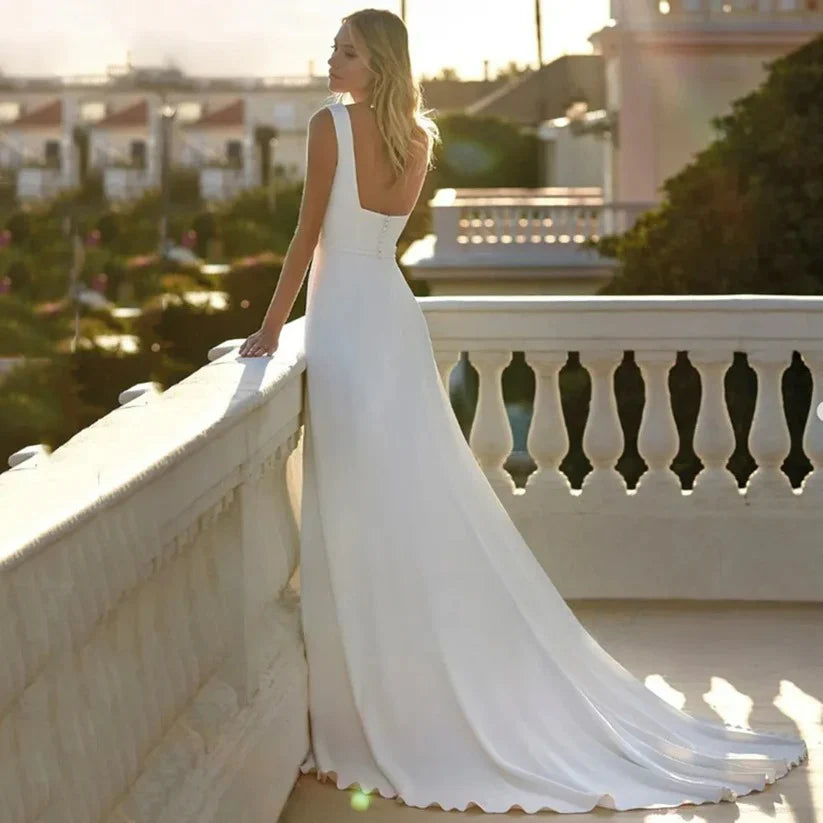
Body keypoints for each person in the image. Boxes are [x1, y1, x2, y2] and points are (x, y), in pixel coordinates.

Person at [238, 8, 807, 815]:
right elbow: (369, 237)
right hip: (391, 321)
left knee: (358, 508)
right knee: (404, 503)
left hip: (345, 327)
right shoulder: (421, 138)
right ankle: (391, 694)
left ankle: (367, 711)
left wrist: (266, 329)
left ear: (378, 63)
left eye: (348, 50)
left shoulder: (328, 125)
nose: (331, 59)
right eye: (335, 48)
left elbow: (306, 239)